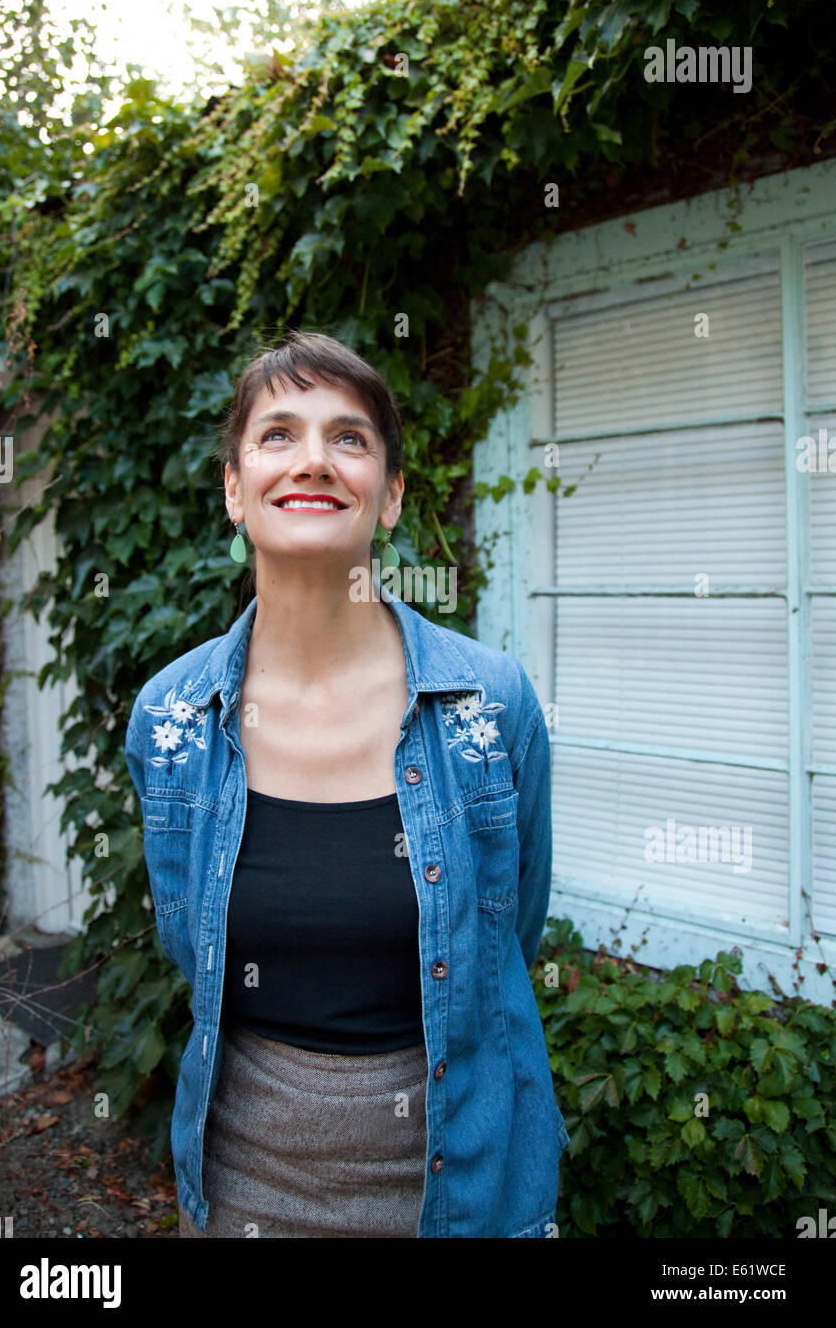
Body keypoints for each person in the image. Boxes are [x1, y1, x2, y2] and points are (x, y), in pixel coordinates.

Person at [124, 329, 569, 1238]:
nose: (314, 461)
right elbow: (188, 945)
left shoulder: (489, 707)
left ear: (391, 495)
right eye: (278, 435)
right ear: (235, 489)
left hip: (465, 1197)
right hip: (244, 1194)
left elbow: (505, 944)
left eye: (350, 438)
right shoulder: (172, 719)